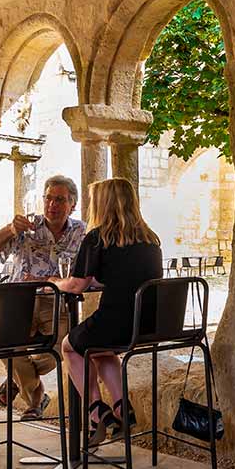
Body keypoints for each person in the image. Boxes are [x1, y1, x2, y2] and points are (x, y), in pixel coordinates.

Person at [53, 178, 163, 446]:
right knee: (101, 351)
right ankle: (123, 409)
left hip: (117, 322)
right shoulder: (150, 239)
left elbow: (77, 285)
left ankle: (97, 412)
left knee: (70, 347)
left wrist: (54, 282)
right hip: (149, 325)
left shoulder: (98, 238)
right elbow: (129, 275)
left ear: (103, 204)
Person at [0, 175, 86, 418]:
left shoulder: (80, 231)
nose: (52, 204)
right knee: (4, 341)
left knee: (66, 343)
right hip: (21, 301)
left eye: (59, 199)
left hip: (56, 301)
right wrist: (10, 229)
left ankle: (19, 380)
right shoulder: (27, 226)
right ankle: (36, 396)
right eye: (48, 198)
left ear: (72, 204)